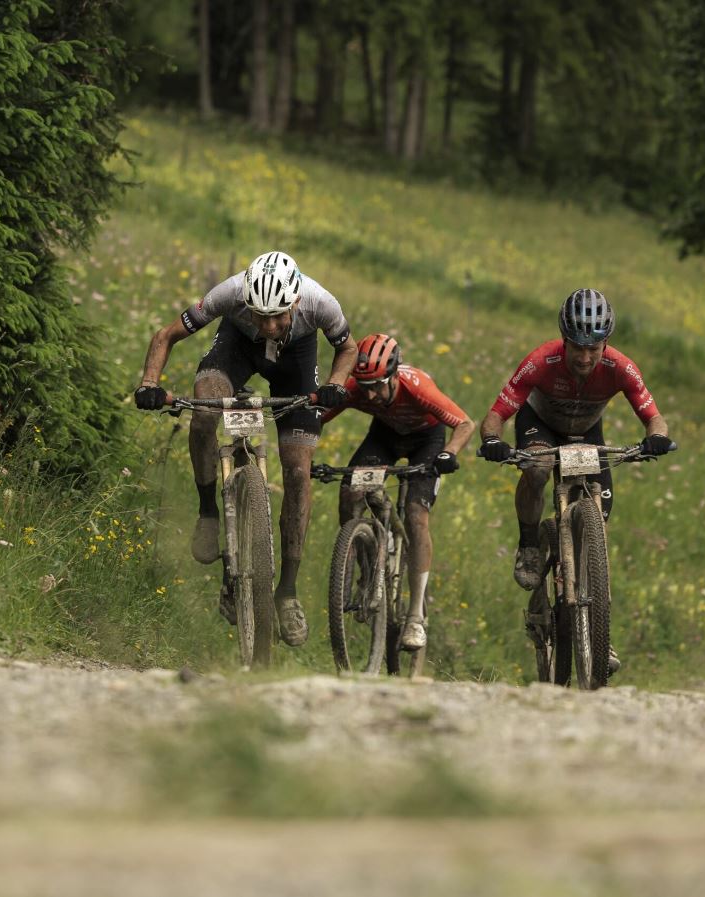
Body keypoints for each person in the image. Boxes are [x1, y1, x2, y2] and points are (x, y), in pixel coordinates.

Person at [134, 251, 357, 646]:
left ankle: (286, 591)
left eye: (278, 316)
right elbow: (166, 335)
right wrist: (150, 383)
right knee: (204, 409)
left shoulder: (321, 301)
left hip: (297, 364)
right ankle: (208, 511)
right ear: (246, 302)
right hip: (236, 349)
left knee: (298, 471)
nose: (269, 326)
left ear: (296, 303)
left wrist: (336, 383)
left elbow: (349, 348)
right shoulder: (229, 294)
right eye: (260, 315)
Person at [477, 288, 671, 596]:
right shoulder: (540, 361)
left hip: (586, 431)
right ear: (564, 340)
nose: (584, 357)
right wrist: (491, 440)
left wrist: (657, 438)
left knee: (600, 520)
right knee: (538, 469)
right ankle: (528, 544)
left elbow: (654, 417)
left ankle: (591, 620)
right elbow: (495, 416)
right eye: (577, 348)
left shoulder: (621, 367)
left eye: (593, 348)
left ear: (605, 342)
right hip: (539, 424)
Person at [318, 333, 475, 650]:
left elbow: (465, 424)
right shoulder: (358, 388)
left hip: (426, 441)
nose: (372, 395)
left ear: (393, 374)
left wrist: (449, 454)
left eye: (378, 385)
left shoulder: (416, 387)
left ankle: (415, 616)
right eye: (365, 388)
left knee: (416, 516)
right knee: (350, 491)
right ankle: (365, 570)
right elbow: (317, 417)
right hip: (385, 436)